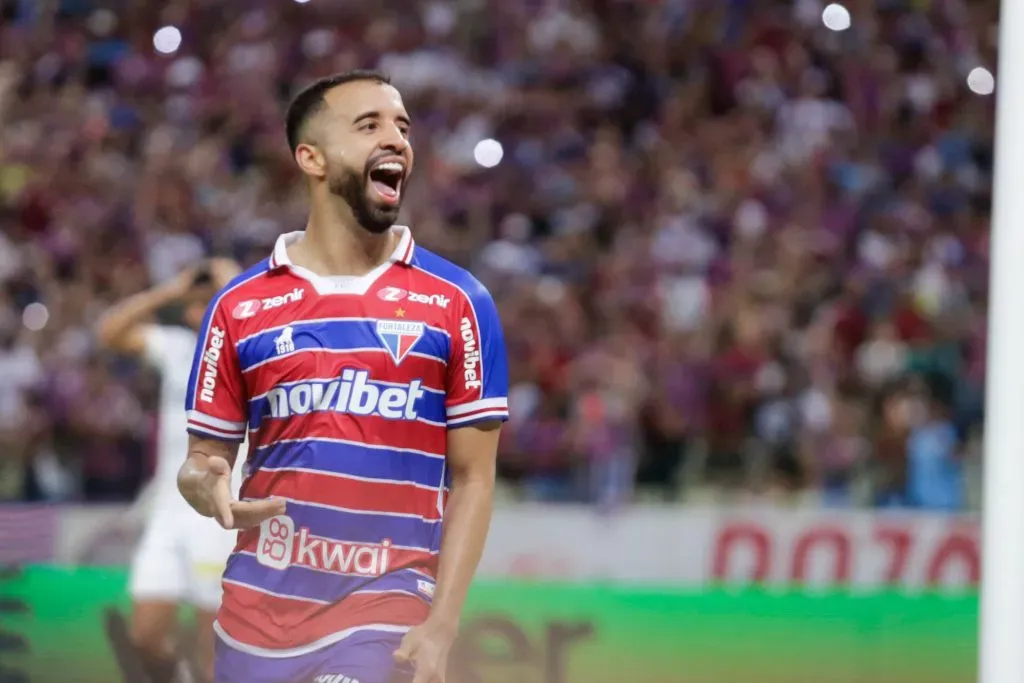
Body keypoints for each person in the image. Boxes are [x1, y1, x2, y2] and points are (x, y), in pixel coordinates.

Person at [177, 70, 509, 683]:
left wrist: (441, 624)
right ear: (312, 158)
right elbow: (202, 460)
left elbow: (474, 478)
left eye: (402, 126)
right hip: (254, 617)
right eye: (369, 125)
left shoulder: (458, 302)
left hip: (387, 606)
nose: (397, 139)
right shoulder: (237, 307)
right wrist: (205, 485)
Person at [96, 258, 244, 683]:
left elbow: (250, 320)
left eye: (210, 301)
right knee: (144, 637)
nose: (199, 308)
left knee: (214, 652)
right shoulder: (177, 347)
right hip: (167, 511)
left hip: (217, 515)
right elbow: (110, 331)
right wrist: (171, 290)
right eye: (197, 303)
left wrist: (231, 283)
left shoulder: (249, 355)